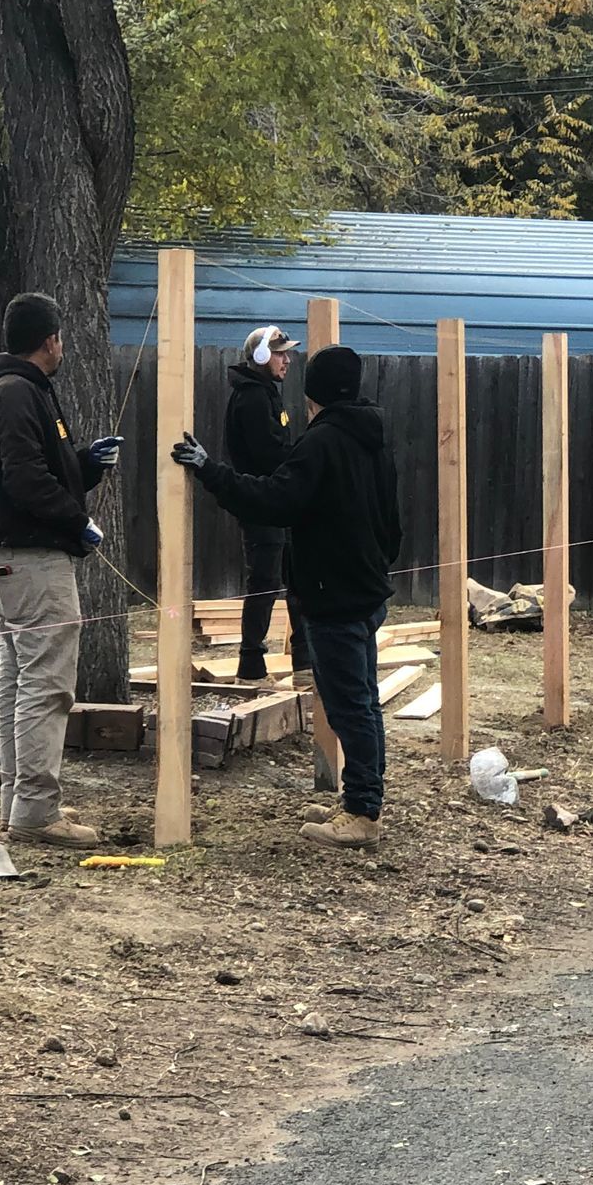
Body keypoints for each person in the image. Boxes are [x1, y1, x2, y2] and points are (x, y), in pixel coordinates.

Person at [171, 346, 402, 851]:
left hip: (334, 596)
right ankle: (361, 798)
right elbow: (393, 523)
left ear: (312, 393)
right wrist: (374, 568)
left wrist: (211, 471)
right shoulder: (373, 439)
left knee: (350, 706)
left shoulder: (322, 442)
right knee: (362, 702)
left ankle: (363, 811)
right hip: (363, 591)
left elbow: (276, 500)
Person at [0, 292, 124, 849]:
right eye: (60, 339)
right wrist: (78, 520)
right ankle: (35, 809)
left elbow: (39, 468)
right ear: (50, 339)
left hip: (14, 562)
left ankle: (21, 798)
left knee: (17, 679)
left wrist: (84, 464)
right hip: (32, 562)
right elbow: (25, 481)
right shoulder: (16, 394)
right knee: (47, 685)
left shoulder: (14, 390)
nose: (62, 347)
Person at [224, 324, 303, 683]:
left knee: (295, 577)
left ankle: (304, 662)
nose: (286, 359)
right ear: (259, 357)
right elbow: (268, 454)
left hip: (277, 502)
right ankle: (251, 668)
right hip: (262, 503)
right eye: (279, 353)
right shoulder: (253, 398)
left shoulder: (266, 393)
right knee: (265, 582)